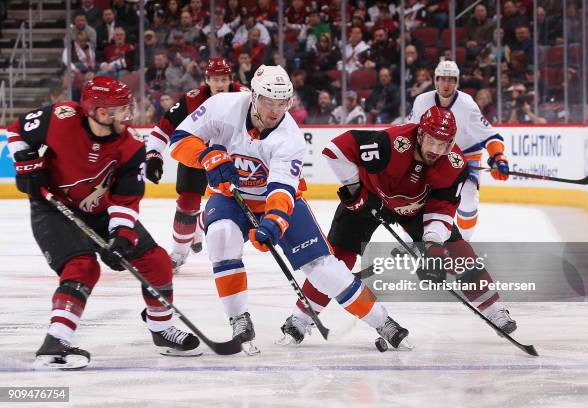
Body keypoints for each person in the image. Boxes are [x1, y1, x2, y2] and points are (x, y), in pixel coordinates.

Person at [169, 64, 410, 351]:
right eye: (270, 101)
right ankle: (238, 318)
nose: (276, 110)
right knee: (221, 237)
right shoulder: (222, 106)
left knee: (323, 269)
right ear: (254, 96)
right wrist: (206, 155)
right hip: (231, 199)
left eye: (283, 102)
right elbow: (179, 141)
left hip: (278, 201)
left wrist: (273, 223)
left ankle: (382, 320)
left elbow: (282, 191)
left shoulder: (290, 138)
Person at [6, 76, 200, 369]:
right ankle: (55, 343)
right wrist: (25, 162)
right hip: (53, 208)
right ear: (100, 112)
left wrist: (121, 237)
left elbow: (125, 200)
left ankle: (161, 329)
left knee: (157, 262)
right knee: (82, 266)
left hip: (101, 210)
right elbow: (16, 129)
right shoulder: (61, 118)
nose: (128, 113)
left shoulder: (132, 146)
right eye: (121, 108)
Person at [280, 106, 518, 345]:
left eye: (443, 144)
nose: (435, 150)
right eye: (432, 141)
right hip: (367, 202)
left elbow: (441, 208)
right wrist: (355, 190)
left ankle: (493, 310)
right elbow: (335, 149)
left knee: (457, 252)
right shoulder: (392, 142)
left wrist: (433, 244)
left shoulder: (454, 165)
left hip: (417, 209)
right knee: (337, 260)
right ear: (421, 135)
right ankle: (301, 317)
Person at [146, 57, 247, 274]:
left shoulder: (245, 96)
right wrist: (154, 154)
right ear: (207, 80)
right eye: (215, 79)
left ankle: (198, 227)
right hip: (196, 155)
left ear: (231, 79)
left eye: (224, 79)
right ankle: (178, 255)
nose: (220, 84)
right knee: (187, 203)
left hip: (227, 160)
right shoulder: (192, 99)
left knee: (227, 205)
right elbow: (164, 128)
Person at [407, 60, 509, 240]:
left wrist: (498, 156)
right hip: (434, 155)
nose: (446, 84)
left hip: (466, 155)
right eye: (442, 79)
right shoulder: (422, 101)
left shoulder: (467, 105)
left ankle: (463, 243)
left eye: (451, 79)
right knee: (415, 193)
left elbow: (489, 135)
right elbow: (409, 131)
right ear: (435, 80)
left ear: (457, 82)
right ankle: (411, 240)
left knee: (468, 195)